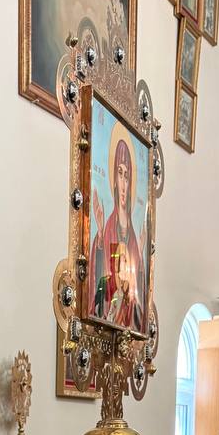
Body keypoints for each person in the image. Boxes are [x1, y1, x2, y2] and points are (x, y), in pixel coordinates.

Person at [89, 131, 147, 333]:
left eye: (127, 176)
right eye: (119, 173)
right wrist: (100, 236)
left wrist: (140, 255)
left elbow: (138, 300)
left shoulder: (134, 238)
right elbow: (98, 281)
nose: (123, 184)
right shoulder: (107, 227)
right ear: (114, 179)